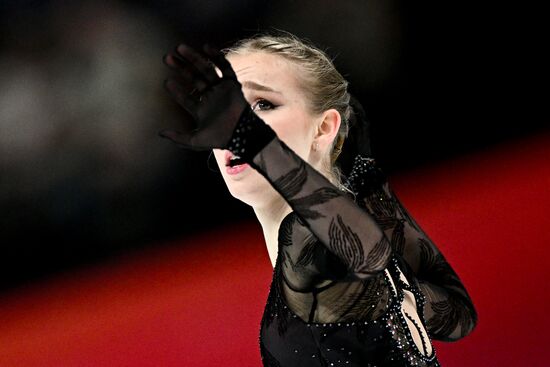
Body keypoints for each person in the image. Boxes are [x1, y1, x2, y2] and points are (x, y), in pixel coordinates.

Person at [160, 34, 477, 367]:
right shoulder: (351, 260)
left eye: (262, 105)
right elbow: (458, 315)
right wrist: (370, 182)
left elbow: (367, 256)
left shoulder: (309, 242)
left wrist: (252, 140)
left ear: (324, 128)